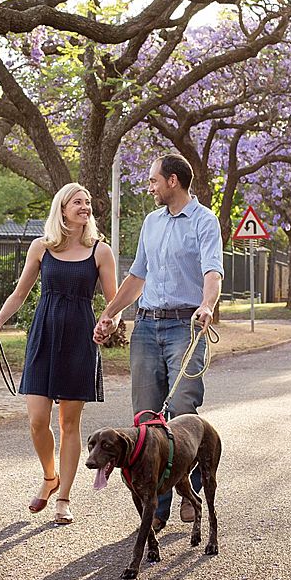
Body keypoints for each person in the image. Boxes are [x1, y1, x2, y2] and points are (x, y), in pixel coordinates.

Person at [94, 153, 223, 532]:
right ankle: (157, 511)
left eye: (153, 181)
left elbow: (212, 270)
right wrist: (111, 313)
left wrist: (206, 305)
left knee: (183, 408)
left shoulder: (204, 221)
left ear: (173, 181)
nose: (149, 187)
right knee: (147, 421)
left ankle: (188, 488)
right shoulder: (151, 223)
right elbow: (136, 277)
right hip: (147, 327)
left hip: (186, 325)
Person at [0, 183, 118, 525]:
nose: (85, 207)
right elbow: (20, 293)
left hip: (79, 340)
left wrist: (110, 323)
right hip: (43, 336)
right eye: (78, 202)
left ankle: (63, 498)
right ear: (62, 208)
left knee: (69, 424)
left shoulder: (100, 251)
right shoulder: (41, 247)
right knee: (37, 421)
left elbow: (114, 303)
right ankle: (49, 476)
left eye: (87, 202)